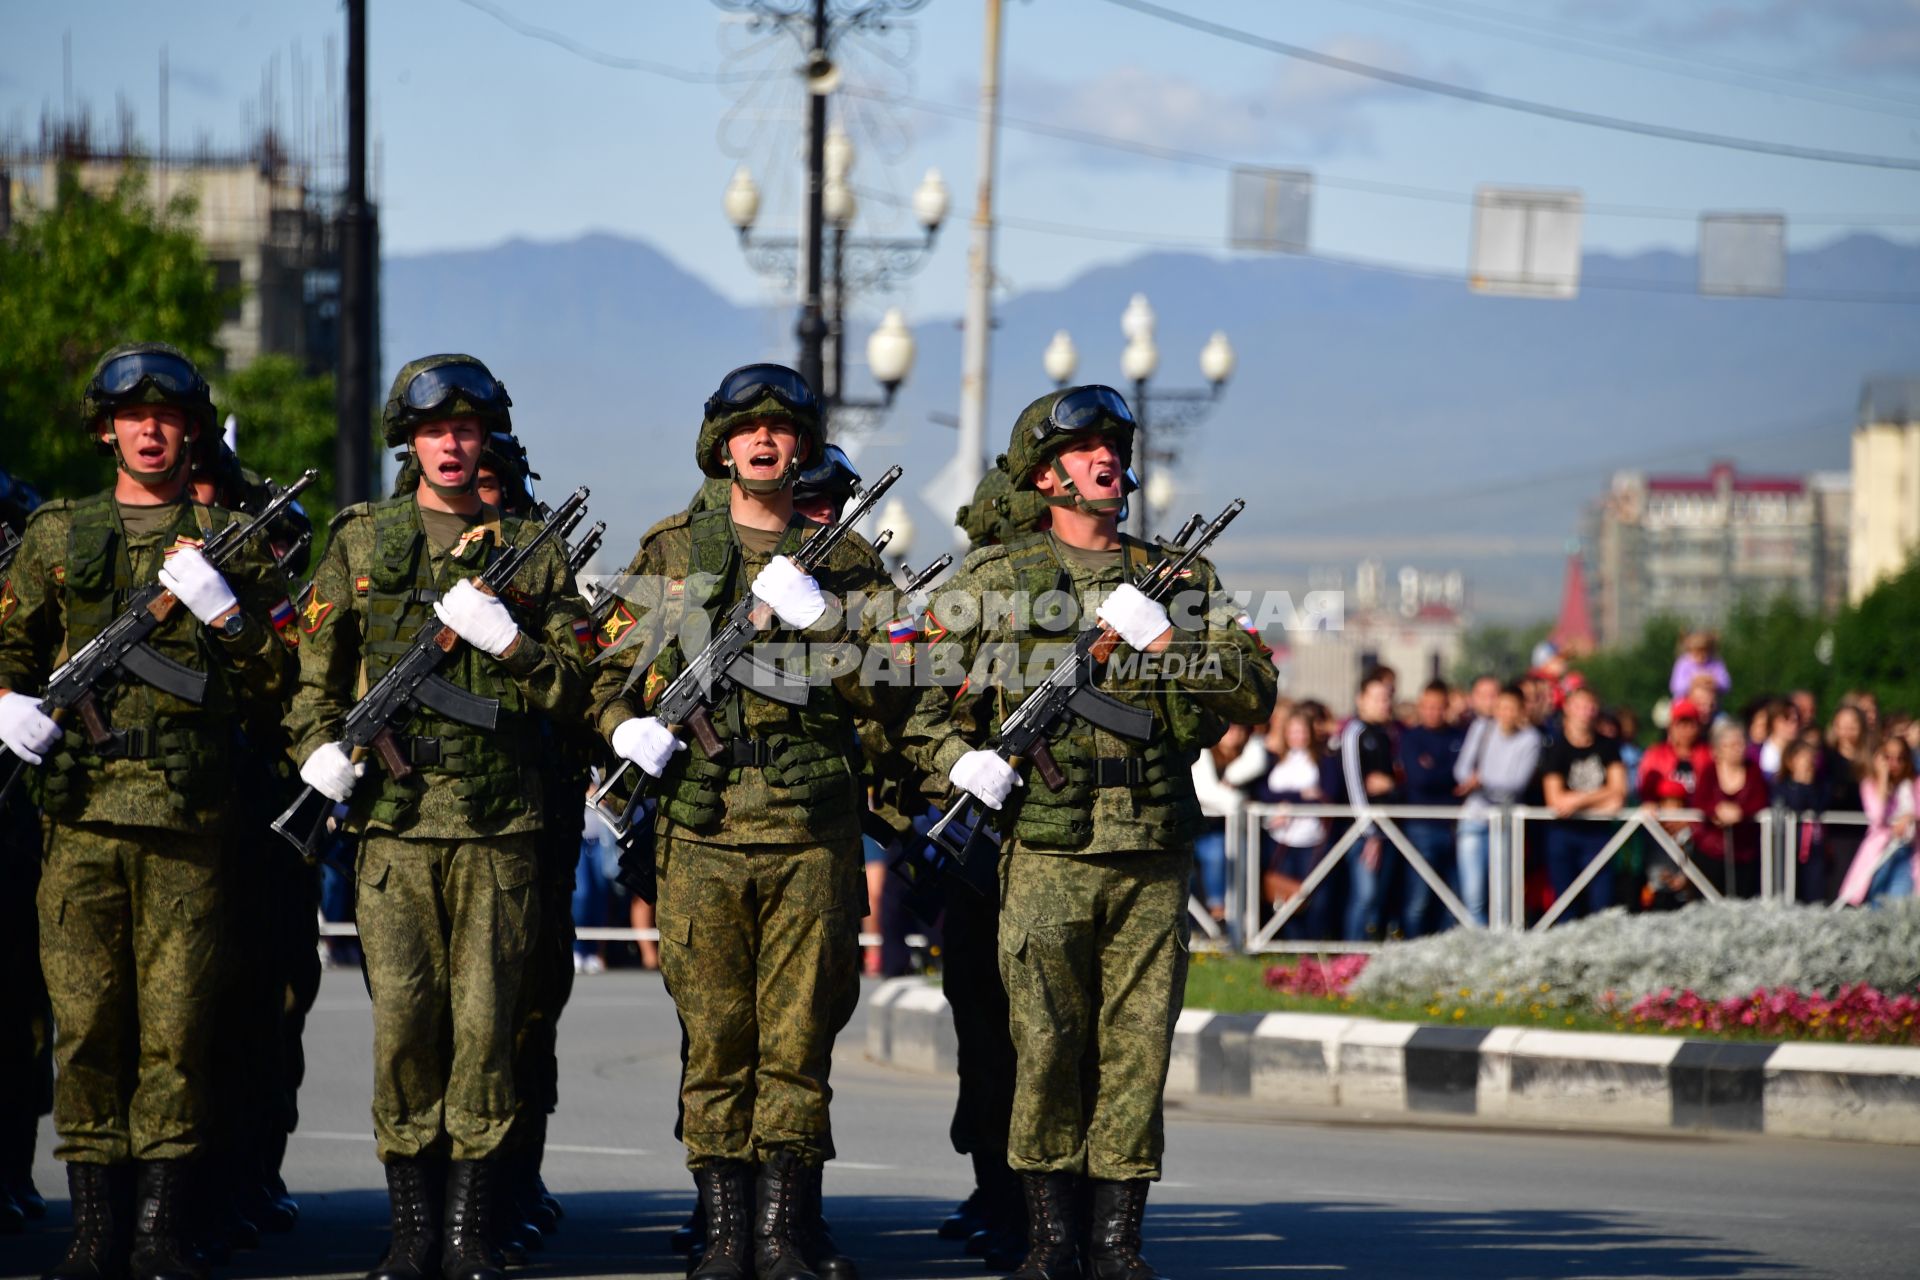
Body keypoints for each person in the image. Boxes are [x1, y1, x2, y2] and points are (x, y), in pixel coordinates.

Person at [902, 384, 1276, 1280]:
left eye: (1114, 445)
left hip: (1150, 847)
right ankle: (1049, 1240)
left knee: (1137, 1054)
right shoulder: (995, 582)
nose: (1107, 459)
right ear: (1047, 475)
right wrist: (963, 765)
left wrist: (1166, 647)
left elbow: (1253, 692)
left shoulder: (1181, 581)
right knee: (1046, 1050)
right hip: (1047, 848)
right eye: (1084, 450)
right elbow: (911, 706)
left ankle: (1117, 1244)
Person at [589, 364, 898, 1280]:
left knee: (798, 1044)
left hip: (810, 831)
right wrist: (626, 729)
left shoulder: (844, 562)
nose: (764, 442)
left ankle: (784, 1232)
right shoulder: (670, 551)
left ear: (802, 445)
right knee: (718, 1042)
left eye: (782, 429)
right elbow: (603, 673)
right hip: (704, 830)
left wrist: (829, 629)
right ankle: (725, 1232)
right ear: (721, 445)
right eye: (747, 429)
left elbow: (897, 696)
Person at [286, 354, 590, 1280]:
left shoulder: (532, 547)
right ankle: (413, 1232)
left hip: (499, 830)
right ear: (408, 441)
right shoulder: (361, 539)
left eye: (466, 429)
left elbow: (580, 683)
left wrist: (513, 642)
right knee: (406, 1030)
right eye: (435, 431)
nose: (452, 445)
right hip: (395, 828)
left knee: (488, 1031)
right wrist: (318, 749)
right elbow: (316, 676)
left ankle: (468, 1236)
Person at [0, 343, 297, 1278]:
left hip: (186, 826)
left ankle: (161, 1229)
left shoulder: (233, 543)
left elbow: (284, 680)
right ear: (106, 429)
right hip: (80, 820)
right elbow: (12, 646)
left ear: (193, 429)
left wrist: (227, 616)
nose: (151, 430)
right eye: (134, 416)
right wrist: (11, 704)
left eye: (169, 416)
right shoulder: (57, 535)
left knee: (178, 1031)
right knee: (88, 1030)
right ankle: (96, 1229)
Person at [1452, 684, 1541, 928]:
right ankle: (1477, 946)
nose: (1505, 713)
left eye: (1511, 708)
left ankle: (1501, 944)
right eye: (1501, 707)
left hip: (1505, 821)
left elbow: (1515, 783)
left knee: (1503, 892)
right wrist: (1480, 782)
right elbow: (1461, 771)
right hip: (1474, 816)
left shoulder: (1530, 739)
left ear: (1521, 710)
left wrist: (1481, 781)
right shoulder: (1481, 729)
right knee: (1473, 894)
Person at [1538, 685, 1627, 920]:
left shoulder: (1608, 746)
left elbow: (1619, 790)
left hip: (1597, 834)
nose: (1585, 712)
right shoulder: (1555, 746)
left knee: (1602, 904)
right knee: (1566, 905)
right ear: (1567, 708)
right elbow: (1555, 799)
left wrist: (1578, 799)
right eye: (1580, 706)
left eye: (1590, 706)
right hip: (1563, 833)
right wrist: (1602, 798)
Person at [1396, 680, 1462, 936]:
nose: (1434, 712)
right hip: (1421, 827)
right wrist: (1446, 775)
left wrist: (1435, 770)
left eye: (1439, 707)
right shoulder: (1411, 738)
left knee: (1453, 898)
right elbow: (1419, 779)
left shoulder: (1459, 736)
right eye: (1429, 707)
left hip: (1454, 827)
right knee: (1418, 900)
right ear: (1421, 708)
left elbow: (1459, 775)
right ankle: (1412, 953)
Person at [1261, 707, 1332, 939]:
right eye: (1293, 731)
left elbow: (1327, 796)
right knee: (1283, 895)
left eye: (1302, 731)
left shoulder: (1323, 761)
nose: (1298, 736)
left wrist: (1289, 802)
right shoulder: (1275, 759)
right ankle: (1291, 944)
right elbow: (1265, 794)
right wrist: (1300, 797)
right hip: (1280, 837)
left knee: (1314, 897)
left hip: (1311, 838)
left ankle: (1312, 945)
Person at [1340, 671, 1401, 941]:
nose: (1383, 704)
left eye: (1387, 698)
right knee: (1364, 897)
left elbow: (1392, 783)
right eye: (1377, 698)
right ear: (1361, 700)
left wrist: (1391, 786)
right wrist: (1369, 833)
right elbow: (1355, 786)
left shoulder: (1387, 734)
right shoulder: (1355, 732)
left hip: (1388, 829)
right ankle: (1352, 956)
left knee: (1381, 899)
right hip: (1363, 834)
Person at [1837, 736, 1918, 906]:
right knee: (1876, 905)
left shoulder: (1915, 784)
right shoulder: (1870, 784)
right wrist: (1882, 778)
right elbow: (1877, 818)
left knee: (1899, 906)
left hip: (1908, 854)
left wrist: (1911, 817)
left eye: (1900, 758)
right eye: (1888, 757)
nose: (1894, 763)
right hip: (1880, 853)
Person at [1694, 722, 1769, 898]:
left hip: (1744, 851)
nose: (1738, 749)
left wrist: (1740, 812)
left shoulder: (1753, 771)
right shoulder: (1709, 772)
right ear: (1719, 749)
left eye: (1741, 743)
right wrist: (1716, 810)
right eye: (1732, 744)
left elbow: (1761, 800)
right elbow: (1699, 801)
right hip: (1711, 851)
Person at [1669, 631, 1731, 703]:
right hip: (1686, 704)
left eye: (1704, 651)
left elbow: (1726, 685)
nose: (1701, 655)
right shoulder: (1683, 663)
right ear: (1689, 650)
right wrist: (1694, 682)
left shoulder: (1716, 663)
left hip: (1711, 706)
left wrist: (1713, 682)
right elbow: (1676, 687)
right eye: (1696, 651)